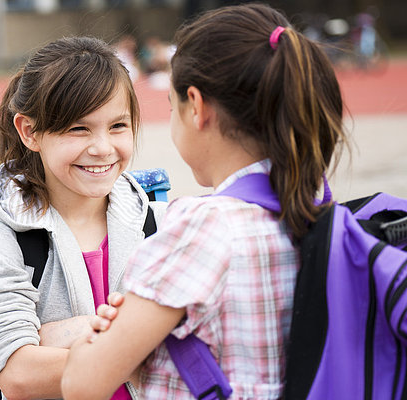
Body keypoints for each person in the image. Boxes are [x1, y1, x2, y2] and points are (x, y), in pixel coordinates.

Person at [61, 3, 348, 399]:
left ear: (196, 107)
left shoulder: (200, 227)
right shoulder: (318, 210)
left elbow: (82, 384)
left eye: (172, 107)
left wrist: (96, 336)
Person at [0, 36, 167, 400]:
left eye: (118, 126)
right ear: (30, 132)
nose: (103, 148)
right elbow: (19, 376)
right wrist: (143, 349)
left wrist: (68, 333)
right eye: (78, 129)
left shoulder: (164, 225)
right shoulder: (2, 243)